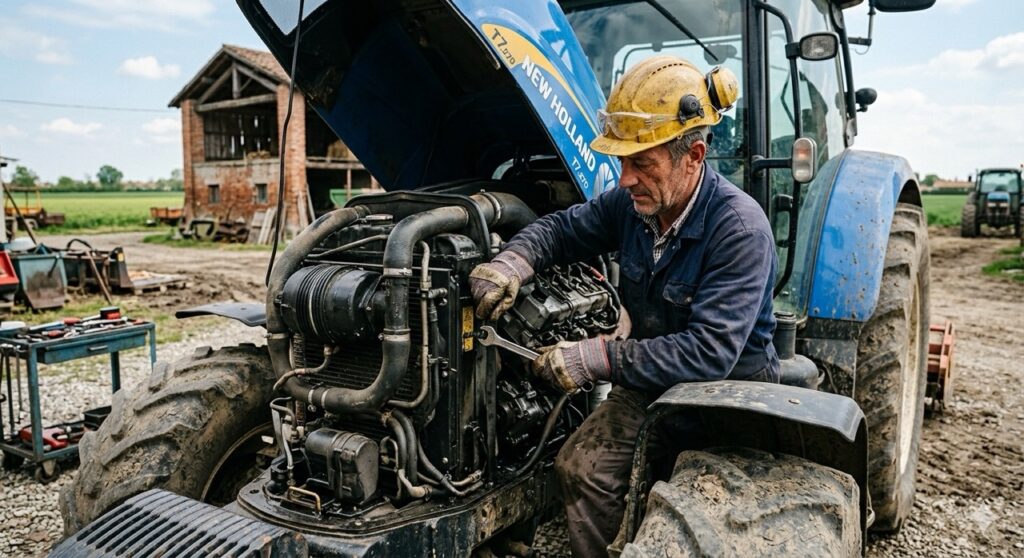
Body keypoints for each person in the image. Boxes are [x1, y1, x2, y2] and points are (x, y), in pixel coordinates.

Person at [469, 55, 779, 556]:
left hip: (728, 397)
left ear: (694, 155)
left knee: (710, 518)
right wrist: (513, 261)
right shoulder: (632, 207)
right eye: (621, 162)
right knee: (581, 469)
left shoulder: (739, 230)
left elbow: (709, 354)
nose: (625, 179)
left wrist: (593, 357)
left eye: (642, 163)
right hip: (652, 383)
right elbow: (561, 229)